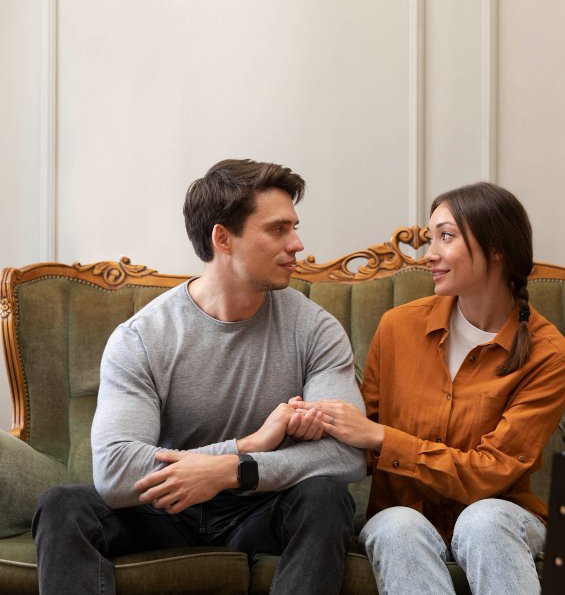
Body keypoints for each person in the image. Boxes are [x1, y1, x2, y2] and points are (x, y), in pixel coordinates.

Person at [31, 159, 367, 594]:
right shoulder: (143, 337)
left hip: (259, 509)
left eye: (294, 228)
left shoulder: (315, 329)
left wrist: (234, 470)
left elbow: (347, 455)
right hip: (166, 508)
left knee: (325, 498)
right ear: (223, 238)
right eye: (278, 229)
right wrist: (243, 446)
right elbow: (114, 472)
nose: (298, 244)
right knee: (62, 506)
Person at [291, 182, 565, 594]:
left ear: (497, 248)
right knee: (396, 524)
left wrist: (382, 438)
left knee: (483, 519)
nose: (430, 254)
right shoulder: (397, 328)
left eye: (447, 236)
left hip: (502, 518)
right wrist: (314, 421)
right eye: (431, 238)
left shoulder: (550, 356)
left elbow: (491, 473)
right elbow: (361, 439)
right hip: (404, 515)